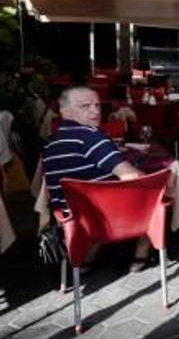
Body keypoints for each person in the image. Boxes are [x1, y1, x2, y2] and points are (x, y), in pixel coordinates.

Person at [41, 86, 149, 270]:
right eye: (85, 106)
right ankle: (142, 253)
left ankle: (84, 259)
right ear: (65, 112)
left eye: (97, 105)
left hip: (69, 220)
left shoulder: (50, 144)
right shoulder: (91, 136)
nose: (96, 111)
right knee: (156, 190)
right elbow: (131, 176)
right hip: (104, 219)